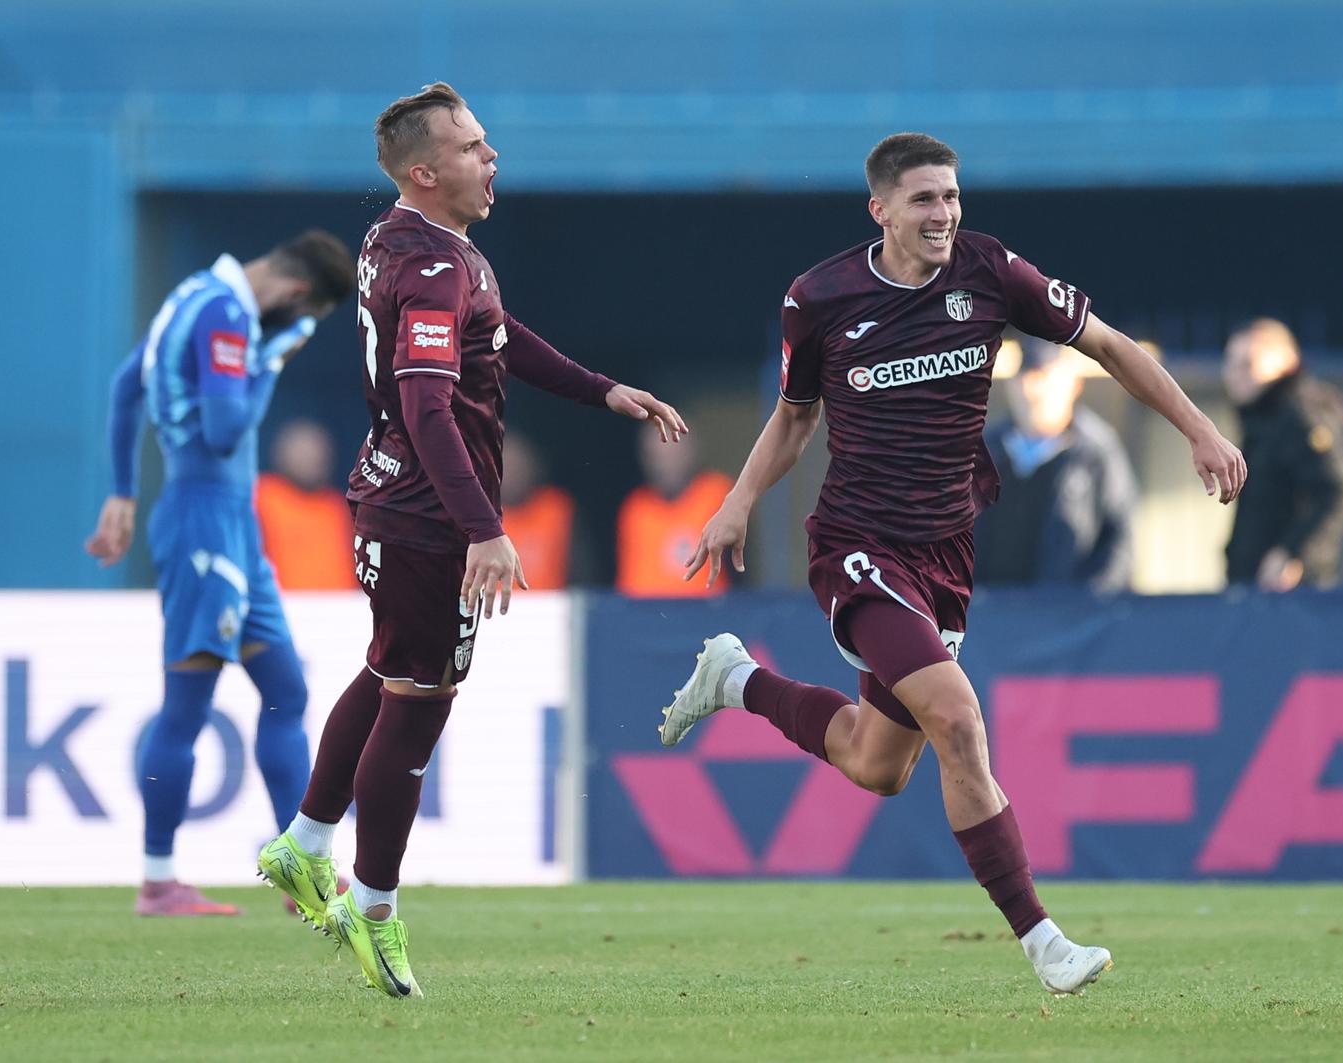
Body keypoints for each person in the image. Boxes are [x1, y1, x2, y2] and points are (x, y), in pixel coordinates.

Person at [662, 133, 1245, 996]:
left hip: (945, 551)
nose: (943, 214)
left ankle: (736, 678)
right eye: (925, 200)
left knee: (876, 763)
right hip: (859, 544)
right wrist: (738, 501)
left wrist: (1199, 427)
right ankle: (1044, 940)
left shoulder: (992, 272)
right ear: (882, 209)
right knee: (959, 718)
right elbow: (793, 419)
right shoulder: (818, 297)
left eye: (951, 197)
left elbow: (1112, 346)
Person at [256, 82, 687, 998]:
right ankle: (372, 909)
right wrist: (483, 528)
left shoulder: (408, 242)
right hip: (425, 521)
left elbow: (496, 337)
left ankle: (305, 845)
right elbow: (425, 402)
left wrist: (599, 388)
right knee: (419, 698)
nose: (491, 158)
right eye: (473, 146)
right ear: (424, 170)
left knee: (387, 673)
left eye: (487, 142)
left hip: (390, 503)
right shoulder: (435, 265)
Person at [85, 230, 355, 915]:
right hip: (206, 522)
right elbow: (228, 430)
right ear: (296, 295)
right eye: (304, 320)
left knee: (285, 690)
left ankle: (301, 866)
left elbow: (126, 387)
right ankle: (157, 878)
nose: (295, 330)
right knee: (188, 705)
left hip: (229, 524)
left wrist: (122, 489)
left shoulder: (193, 296)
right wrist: (269, 360)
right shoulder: (227, 316)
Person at [976, 338, 1136, 590]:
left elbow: (1117, 548)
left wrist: (1086, 609)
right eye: (1026, 377)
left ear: (1073, 384)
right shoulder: (985, 450)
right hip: (992, 616)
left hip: (1069, 619)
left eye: (1045, 377)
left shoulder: (1096, 453)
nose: (1033, 391)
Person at [1222, 318, 1343, 590]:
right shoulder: (1263, 420)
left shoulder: (1299, 416)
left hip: (1289, 593)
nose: (1233, 374)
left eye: (1247, 364)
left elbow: (1341, 489)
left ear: (1284, 363)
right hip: (1256, 587)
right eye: (1229, 363)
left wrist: (1293, 555)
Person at [617, 426, 734, 597]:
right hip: (648, 616)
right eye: (657, 457)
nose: (665, 464)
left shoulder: (717, 495)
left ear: (692, 451)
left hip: (707, 614)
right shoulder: (635, 508)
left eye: (673, 454)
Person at [255, 419, 358, 590]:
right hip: (287, 606)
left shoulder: (339, 505)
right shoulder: (264, 497)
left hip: (344, 608)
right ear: (281, 455)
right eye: (303, 452)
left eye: (318, 452)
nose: (312, 459)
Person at [500, 431, 575, 590]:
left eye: (518, 466)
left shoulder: (556, 509)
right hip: (491, 610)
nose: (513, 475)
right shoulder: (477, 516)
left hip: (551, 609)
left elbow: (580, 570)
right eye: (506, 466)